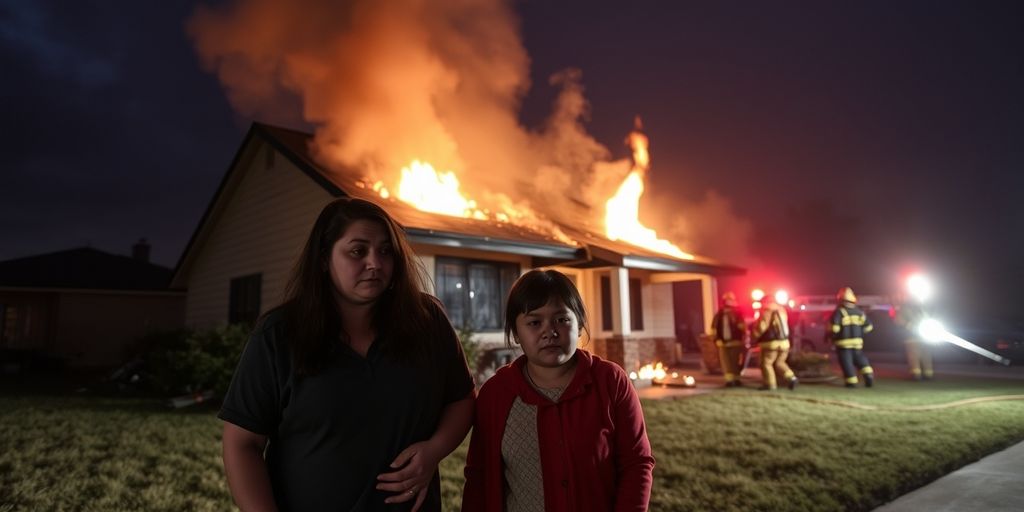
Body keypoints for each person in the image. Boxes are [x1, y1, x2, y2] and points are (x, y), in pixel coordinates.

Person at [218, 197, 475, 511]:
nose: (375, 263)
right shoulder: (279, 334)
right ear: (324, 258)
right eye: (358, 251)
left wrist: (435, 450)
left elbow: (461, 398)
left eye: (385, 251)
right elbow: (242, 443)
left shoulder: (427, 321)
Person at [462, 269, 654, 511]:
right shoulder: (495, 394)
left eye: (562, 319)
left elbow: (636, 463)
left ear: (580, 324)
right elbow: (479, 476)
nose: (549, 331)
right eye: (534, 322)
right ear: (516, 333)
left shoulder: (611, 382)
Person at [829, 287, 875, 388]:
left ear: (840, 299)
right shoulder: (859, 312)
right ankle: (868, 374)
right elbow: (869, 327)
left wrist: (831, 338)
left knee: (846, 362)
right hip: (857, 343)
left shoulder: (840, 312)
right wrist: (859, 333)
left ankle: (851, 381)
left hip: (843, 344)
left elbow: (834, 329)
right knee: (859, 358)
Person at [752, 296, 798, 391]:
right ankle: (792, 377)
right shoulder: (782, 310)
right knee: (780, 362)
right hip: (784, 343)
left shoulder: (767, 311)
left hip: (770, 343)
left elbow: (762, 327)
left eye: (762, 302)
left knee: (766, 363)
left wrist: (754, 335)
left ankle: (770, 384)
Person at [711, 291, 747, 387]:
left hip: (734, 342)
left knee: (733, 362)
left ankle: (735, 380)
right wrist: (716, 339)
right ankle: (730, 380)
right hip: (724, 343)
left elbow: (742, 327)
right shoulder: (720, 314)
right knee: (727, 363)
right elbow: (714, 329)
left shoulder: (736, 313)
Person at [895, 297, 934, 380]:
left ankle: (923, 374)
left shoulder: (919, 309)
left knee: (920, 356)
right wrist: (909, 326)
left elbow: (899, 320)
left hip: (920, 336)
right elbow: (899, 320)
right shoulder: (921, 309)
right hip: (913, 336)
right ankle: (921, 374)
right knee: (918, 356)